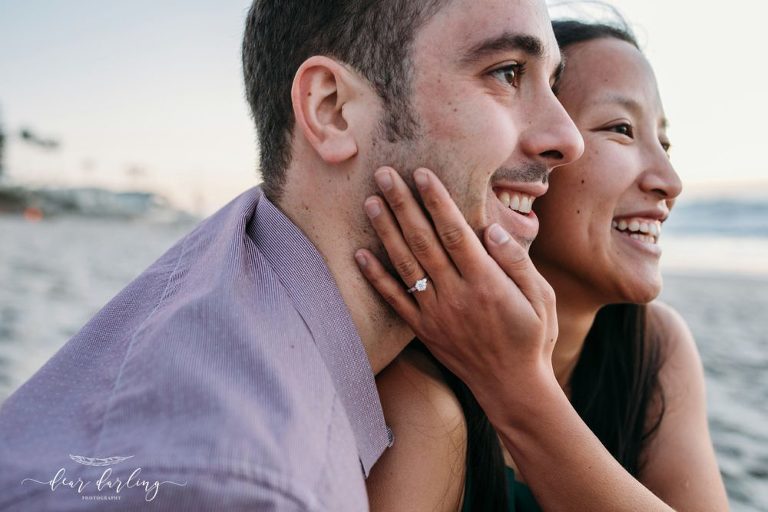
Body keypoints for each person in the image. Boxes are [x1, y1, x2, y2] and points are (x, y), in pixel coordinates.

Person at [0, 1, 584, 510]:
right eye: (507, 73)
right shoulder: (249, 486)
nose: (567, 138)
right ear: (331, 109)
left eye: (551, 84)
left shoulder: (235, 261)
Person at [361, 18, 729, 511]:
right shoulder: (421, 402)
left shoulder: (653, 347)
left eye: (663, 143)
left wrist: (516, 389)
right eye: (621, 130)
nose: (669, 180)